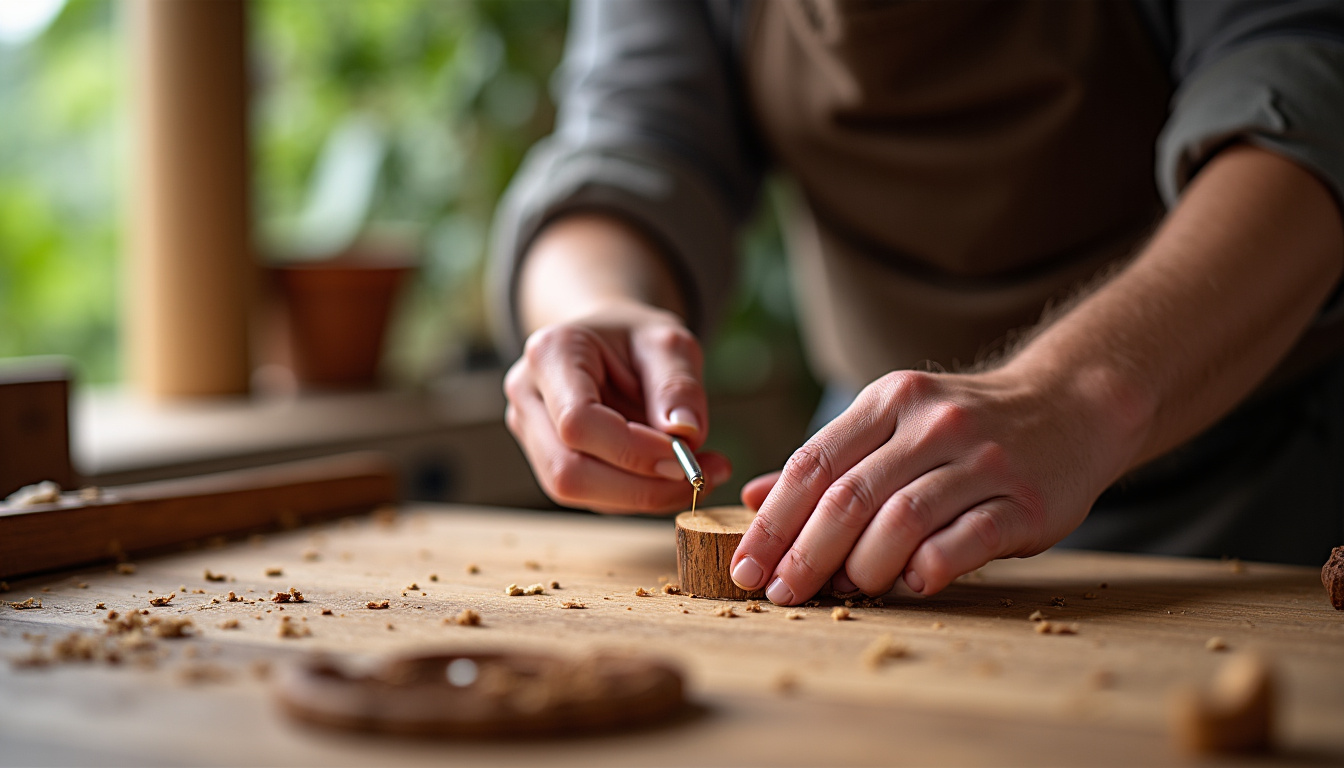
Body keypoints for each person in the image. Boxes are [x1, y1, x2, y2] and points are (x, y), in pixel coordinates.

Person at [489, 0, 1344, 606]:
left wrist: (1082, 396)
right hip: (874, 488)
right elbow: (629, 138)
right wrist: (593, 302)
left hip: (1260, 476)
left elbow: (1310, 95)